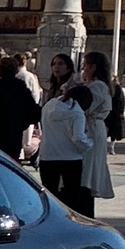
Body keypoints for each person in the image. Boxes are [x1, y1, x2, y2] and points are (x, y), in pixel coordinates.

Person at [37, 81, 94, 214]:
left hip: (47, 155)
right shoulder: (77, 112)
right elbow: (78, 137)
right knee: (71, 196)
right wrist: (89, 144)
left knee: (50, 193)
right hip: (71, 158)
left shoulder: (49, 105)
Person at [78, 49, 117, 206]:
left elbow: (86, 107)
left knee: (89, 167)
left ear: (93, 67)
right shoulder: (96, 85)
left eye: (85, 65)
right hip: (94, 127)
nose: (83, 69)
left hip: (92, 128)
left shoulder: (98, 86)